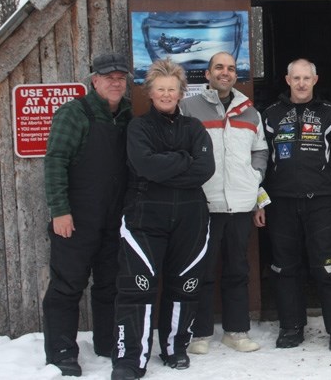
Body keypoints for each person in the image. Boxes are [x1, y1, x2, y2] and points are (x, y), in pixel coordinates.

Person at [111, 59, 215, 380]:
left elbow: (205, 169)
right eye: (161, 89)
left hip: (191, 215)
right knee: (137, 287)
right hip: (145, 215)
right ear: (151, 93)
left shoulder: (194, 127)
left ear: (181, 92)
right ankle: (131, 360)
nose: (167, 94)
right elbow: (145, 166)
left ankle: (175, 347)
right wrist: (184, 159)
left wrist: (166, 166)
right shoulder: (138, 127)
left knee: (184, 285)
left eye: (172, 89)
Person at [254, 58, 331, 352]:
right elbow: (257, 161)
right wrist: (258, 201)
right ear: (287, 80)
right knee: (285, 268)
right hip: (281, 205)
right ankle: (290, 327)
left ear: (315, 80)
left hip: (321, 204)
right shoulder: (270, 116)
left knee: (329, 266)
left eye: (306, 78)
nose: (301, 83)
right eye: (296, 78)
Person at [42, 52, 133, 377]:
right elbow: (55, 162)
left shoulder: (126, 115)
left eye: (120, 77)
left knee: (109, 284)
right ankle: (62, 352)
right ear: (94, 80)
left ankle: (108, 343)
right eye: (108, 77)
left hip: (114, 218)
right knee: (67, 285)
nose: (115, 82)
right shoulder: (74, 114)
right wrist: (60, 211)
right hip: (76, 218)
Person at [180, 52, 268, 355]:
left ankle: (236, 331)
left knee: (237, 269)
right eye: (219, 67)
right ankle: (200, 333)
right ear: (207, 74)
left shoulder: (250, 112)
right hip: (205, 203)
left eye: (230, 68)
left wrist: (254, 177)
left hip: (241, 205)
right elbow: (180, 149)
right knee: (202, 270)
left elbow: (261, 152)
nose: (225, 73)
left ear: (236, 75)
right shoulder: (189, 107)